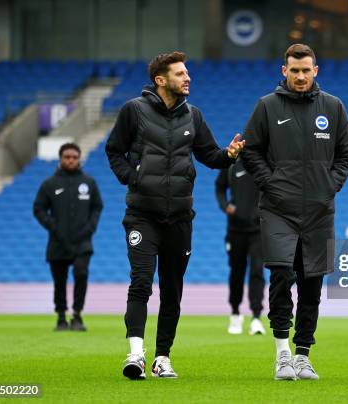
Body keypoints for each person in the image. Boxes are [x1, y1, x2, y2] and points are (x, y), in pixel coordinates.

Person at [105, 51, 244, 380]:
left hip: (180, 217)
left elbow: (210, 156)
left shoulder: (193, 116)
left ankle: (162, 358)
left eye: (187, 73)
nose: (187, 78)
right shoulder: (133, 111)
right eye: (181, 73)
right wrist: (131, 176)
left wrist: (230, 155)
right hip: (142, 215)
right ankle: (136, 354)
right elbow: (114, 149)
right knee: (141, 282)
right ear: (161, 80)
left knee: (172, 289)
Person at [242, 44, 348, 381]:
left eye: (306, 70)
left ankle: (303, 354)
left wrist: (329, 186)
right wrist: (271, 183)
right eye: (295, 70)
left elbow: (347, 152)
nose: (301, 76)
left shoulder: (333, 107)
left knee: (312, 284)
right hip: (278, 208)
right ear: (284, 71)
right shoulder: (267, 106)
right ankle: (282, 353)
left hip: (319, 210)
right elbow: (251, 152)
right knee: (281, 277)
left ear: (315, 71)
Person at [33, 142, 103, 332]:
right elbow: (38, 208)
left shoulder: (89, 182)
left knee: (81, 274)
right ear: (61, 159)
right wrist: (52, 226)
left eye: (74, 157)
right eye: (67, 157)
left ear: (79, 159)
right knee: (60, 281)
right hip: (58, 241)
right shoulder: (50, 184)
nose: (71, 160)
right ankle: (61, 317)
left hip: (83, 241)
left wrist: (90, 227)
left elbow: (97, 206)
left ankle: (77, 315)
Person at [215, 159, 265, 335]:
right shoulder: (230, 166)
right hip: (236, 229)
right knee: (237, 271)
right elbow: (219, 187)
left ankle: (257, 317)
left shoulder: (264, 163)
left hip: (258, 230)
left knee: (257, 270)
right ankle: (235, 313)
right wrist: (225, 205)